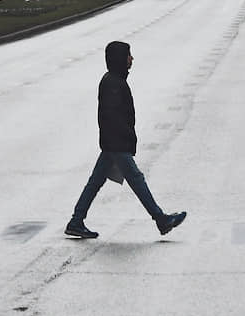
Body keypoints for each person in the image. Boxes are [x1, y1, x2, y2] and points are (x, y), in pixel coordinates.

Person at [66, 40, 187, 239]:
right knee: (136, 180)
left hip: (112, 144)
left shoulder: (114, 81)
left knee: (96, 182)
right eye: (129, 55)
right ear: (120, 58)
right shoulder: (113, 83)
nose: (132, 59)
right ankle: (160, 219)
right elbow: (113, 117)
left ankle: (76, 221)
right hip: (116, 144)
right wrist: (126, 140)